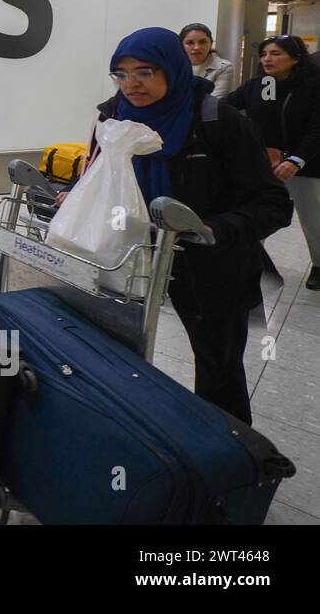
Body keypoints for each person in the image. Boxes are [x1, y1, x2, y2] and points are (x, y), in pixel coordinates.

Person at [79, 28, 292, 425]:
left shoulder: (216, 121)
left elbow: (274, 203)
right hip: (130, 259)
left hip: (212, 267)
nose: (131, 85)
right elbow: (96, 176)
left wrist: (212, 228)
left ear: (172, 69)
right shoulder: (112, 116)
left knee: (218, 368)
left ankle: (229, 456)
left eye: (144, 72)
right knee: (114, 354)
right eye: (121, 74)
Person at [225, 35, 320, 290]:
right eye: (265, 53)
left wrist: (296, 160)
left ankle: (319, 264)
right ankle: (250, 263)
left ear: (296, 58)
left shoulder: (312, 86)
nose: (268, 58)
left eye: (276, 54)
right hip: (267, 164)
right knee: (256, 213)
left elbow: (316, 129)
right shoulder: (258, 86)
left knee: (313, 218)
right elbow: (225, 109)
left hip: (306, 164)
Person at [180, 22, 234, 98]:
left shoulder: (223, 67)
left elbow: (215, 101)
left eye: (202, 42)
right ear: (180, 45)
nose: (197, 47)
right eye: (190, 42)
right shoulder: (172, 65)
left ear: (211, 44)